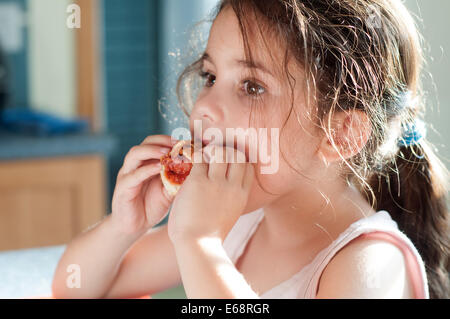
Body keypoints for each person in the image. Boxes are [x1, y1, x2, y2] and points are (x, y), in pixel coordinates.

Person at [52, 0, 449, 299]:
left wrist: (201, 244)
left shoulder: (371, 262)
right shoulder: (242, 226)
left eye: (252, 86)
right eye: (209, 76)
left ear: (339, 135)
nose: (203, 107)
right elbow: (74, 288)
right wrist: (126, 227)